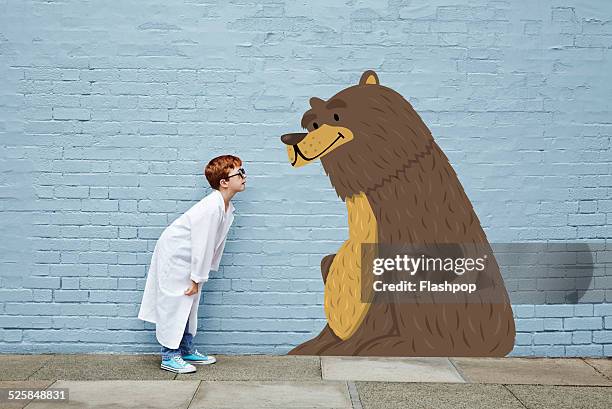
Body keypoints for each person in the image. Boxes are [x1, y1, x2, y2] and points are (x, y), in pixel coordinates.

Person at [138, 155, 246, 373]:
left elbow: (209, 245)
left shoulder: (224, 206)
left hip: (188, 256)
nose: (244, 177)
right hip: (176, 255)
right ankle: (169, 356)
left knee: (189, 303)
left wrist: (199, 275)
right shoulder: (211, 208)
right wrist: (197, 277)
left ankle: (186, 349)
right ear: (224, 182)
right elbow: (202, 245)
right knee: (175, 303)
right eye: (239, 173)